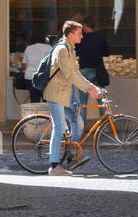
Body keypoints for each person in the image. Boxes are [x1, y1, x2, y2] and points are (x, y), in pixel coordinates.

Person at [43, 20, 101, 176]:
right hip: (56, 94)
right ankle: (54, 166)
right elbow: (71, 74)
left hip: (66, 94)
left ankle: (70, 155)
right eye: (79, 33)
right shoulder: (62, 50)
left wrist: (91, 86)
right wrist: (90, 88)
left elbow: (76, 73)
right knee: (59, 127)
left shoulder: (71, 49)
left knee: (78, 122)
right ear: (70, 35)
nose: (82, 36)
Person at [75, 15, 110, 127]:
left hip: (84, 71)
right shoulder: (100, 37)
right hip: (98, 70)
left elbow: (76, 53)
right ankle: (104, 126)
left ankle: (81, 127)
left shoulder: (81, 38)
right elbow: (107, 52)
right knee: (101, 101)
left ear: (85, 25)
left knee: (83, 102)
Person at [21, 30, 50, 103]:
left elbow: (24, 65)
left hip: (29, 77)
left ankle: (35, 114)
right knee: (46, 101)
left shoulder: (28, 48)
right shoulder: (48, 48)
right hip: (43, 78)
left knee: (34, 101)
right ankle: (45, 114)